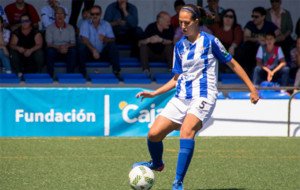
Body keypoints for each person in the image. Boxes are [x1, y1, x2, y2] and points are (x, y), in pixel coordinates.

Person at [133, 4, 259, 190]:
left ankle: (178, 182)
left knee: (186, 131)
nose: (183, 26)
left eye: (186, 23)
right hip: (181, 97)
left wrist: (252, 88)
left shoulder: (210, 41)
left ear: (196, 22)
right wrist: (154, 92)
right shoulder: (179, 47)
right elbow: (176, 79)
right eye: (181, 23)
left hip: (204, 96)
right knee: (153, 134)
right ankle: (157, 164)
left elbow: (233, 64)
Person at [78, 5, 120, 77]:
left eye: (97, 14)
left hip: (102, 53)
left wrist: (105, 39)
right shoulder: (85, 24)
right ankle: (82, 73)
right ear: (90, 15)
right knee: (81, 46)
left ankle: (116, 71)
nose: (95, 16)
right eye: (92, 14)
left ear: (101, 14)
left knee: (112, 45)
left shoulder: (106, 24)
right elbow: (84, 39)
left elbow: (112, 39)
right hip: (89, 53)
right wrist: (93, 50)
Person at [242, 7, 283, 75]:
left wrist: (268, 41)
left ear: (263, 16)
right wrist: (257, 39)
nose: (254, 19)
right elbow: (245, 38)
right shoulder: (250, 24)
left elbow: (281, 36)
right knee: (247, 46)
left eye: (256, 17)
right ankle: (248, 71)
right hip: (253, 49)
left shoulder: (269, 25)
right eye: (253, 16)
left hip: (267, 49)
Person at [45, 7, 76, 77]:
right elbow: (49, 44)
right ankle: (50, 75)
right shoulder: (49, 28)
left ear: (65, 16)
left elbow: (73, 43)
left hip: (66, 49)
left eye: (61, 14)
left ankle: (70, 76)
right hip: (55, 49)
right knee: (49, 51)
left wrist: (65, 47)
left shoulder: (70, 28)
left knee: (73, 51)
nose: (59, 16)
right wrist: (59, 47)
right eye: (57, 14)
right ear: (54, 16)